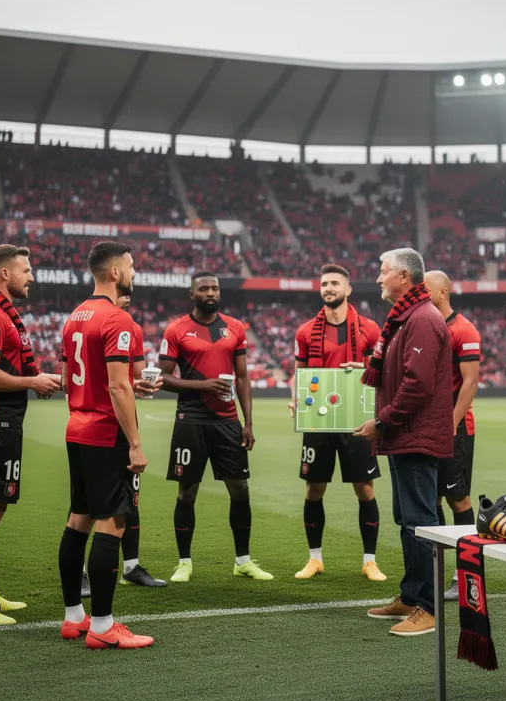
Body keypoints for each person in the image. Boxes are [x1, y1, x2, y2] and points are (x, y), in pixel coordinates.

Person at [58, 241, 154, 649]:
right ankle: (102, 627)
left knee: (78, 518)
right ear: (114, 272)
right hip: (105, 433)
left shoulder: (74, 316)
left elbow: (69, 382)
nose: (133, 271)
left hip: (76, 428)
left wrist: (129, 387)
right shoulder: (116, 319)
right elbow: (117, 385)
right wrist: (134, 443)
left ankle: (73, 618)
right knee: (112, 522)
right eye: (130, 265)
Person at [0, 244, 61, 626]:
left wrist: (41, 379)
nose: (31, 276)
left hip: (3, 423)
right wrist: (32, 381)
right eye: (26, 269)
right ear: (5, 274)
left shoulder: (2, 314)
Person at [355, 248, 452, 637]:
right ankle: (412, 596)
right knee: (408, 520)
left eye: (383, 272)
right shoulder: (405, 318)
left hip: (415, 436)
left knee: (421, 523)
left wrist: (382, 420)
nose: (378, 278)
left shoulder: (422, 319)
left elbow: (418, 384)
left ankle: (429, 608)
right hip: (404, 436)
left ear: (404, 277)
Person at [157, 271, 271, 582]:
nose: (211, 292)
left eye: (215, 288)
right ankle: (184, 562)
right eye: (204, 288)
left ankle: (243, 561)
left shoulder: (235, 328)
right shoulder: (177, 330)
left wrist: (248, 423)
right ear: (191, 294)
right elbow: (162, 378)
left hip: (227, 422)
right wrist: (203, 385)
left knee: (240, 490)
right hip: (190, 420)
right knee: (188, 492)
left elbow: (243, 377)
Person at [288, 264, 386, 582]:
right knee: (314, 488)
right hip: (319, 420)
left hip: (356, 420)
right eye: (324, 283)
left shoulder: (370, 329)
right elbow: (299, 374)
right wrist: (295, 398)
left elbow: (379, 375)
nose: (328, 287)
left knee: (365, 488)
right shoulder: (305, 331)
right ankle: (315, 559)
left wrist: (363, 368)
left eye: (334, 283)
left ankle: (369, 561)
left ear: (347, 290)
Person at [80, 292, 166, 597]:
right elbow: (110, 382)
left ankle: (131, 567)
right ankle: (81, 573)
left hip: (120, 423)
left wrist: (144, 383)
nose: (128, 294)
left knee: (130, 499)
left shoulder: (132, 328)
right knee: (88, 505)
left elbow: (134, 376)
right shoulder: (98, 322)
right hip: (99, 425)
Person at [422, 271, 481, 602]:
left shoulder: (464, 329)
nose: (421, 293)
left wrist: (451, 423)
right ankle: (437, 573)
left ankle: (465, 576)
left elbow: (469, 383)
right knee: (431, 502)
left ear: (443, 291)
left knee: (458, 499)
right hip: (427, 429)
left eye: (426, 288)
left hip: (455, 430)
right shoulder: (427, 327)